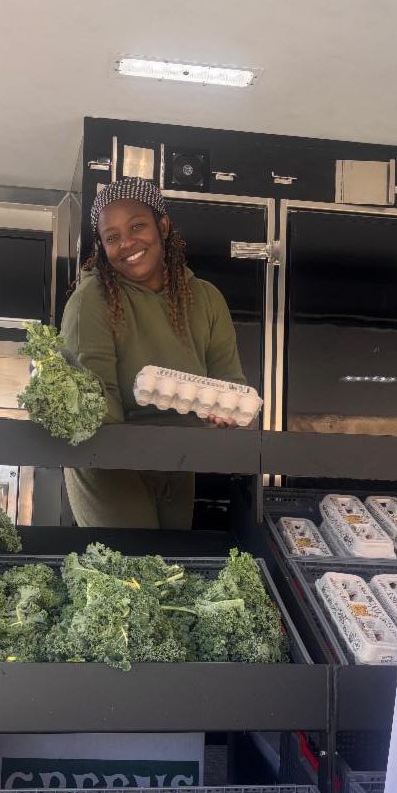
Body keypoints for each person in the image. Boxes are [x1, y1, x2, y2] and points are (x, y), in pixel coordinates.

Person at [60, 177, 246, 529]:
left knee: (170, 560)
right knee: (133, 562)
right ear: (102, 246)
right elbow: (97, 406)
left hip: (178, 459)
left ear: (162, 226)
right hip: (110, 463)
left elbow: (228, 380)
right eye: (112, 237)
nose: (127, 243)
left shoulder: (206, 299)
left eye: (137, 226)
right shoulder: (91, 301)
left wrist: (224, 411)